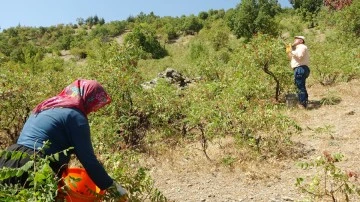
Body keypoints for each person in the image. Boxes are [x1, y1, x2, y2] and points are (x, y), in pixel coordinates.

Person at [0, 79, 127, 200]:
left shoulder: (48, 105)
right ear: (88, 98)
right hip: (34, 166)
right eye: (95, 104)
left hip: (9, 159)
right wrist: (114, 188)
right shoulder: (76, 116)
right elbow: (89, 161)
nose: (93, 110)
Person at [287, 36, 310, 108]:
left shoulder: (301, 47)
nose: (294, 40)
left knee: (300, 86)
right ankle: (304, 101)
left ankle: (302, 103)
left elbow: (299, 56)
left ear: (301, 41)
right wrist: (289, 51)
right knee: (301, 85)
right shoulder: (297, 48)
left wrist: (291, 51)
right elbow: (293, 58)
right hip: (301, 68)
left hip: (300, 68)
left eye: (296, 39)